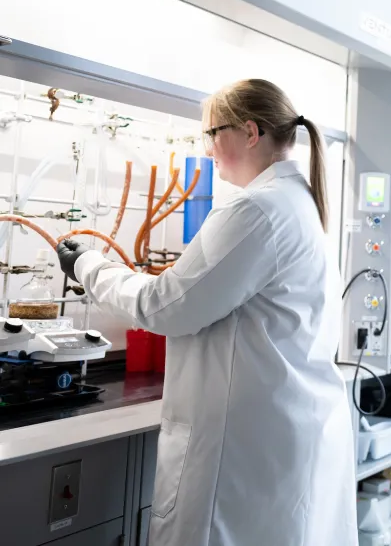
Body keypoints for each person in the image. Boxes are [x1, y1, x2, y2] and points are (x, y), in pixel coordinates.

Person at [57, 79, 358, 546]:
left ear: (250, 133)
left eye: (212, 133)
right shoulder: (296, 205)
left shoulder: (257, 209)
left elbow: (162, 306)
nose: (209, 149)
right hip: (283, 434)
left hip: (244, 452)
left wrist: (88, 266)